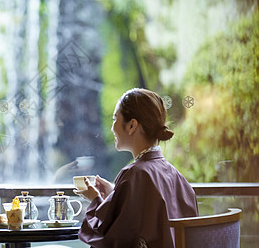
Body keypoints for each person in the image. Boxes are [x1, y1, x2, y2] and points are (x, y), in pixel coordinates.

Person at [76, 88, 198, 248]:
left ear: (132, 125)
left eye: (115, 119)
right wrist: (114, 194)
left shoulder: (134, 174)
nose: (112, 128)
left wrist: (95, 201)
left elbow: (110, 239)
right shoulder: (175, 175)